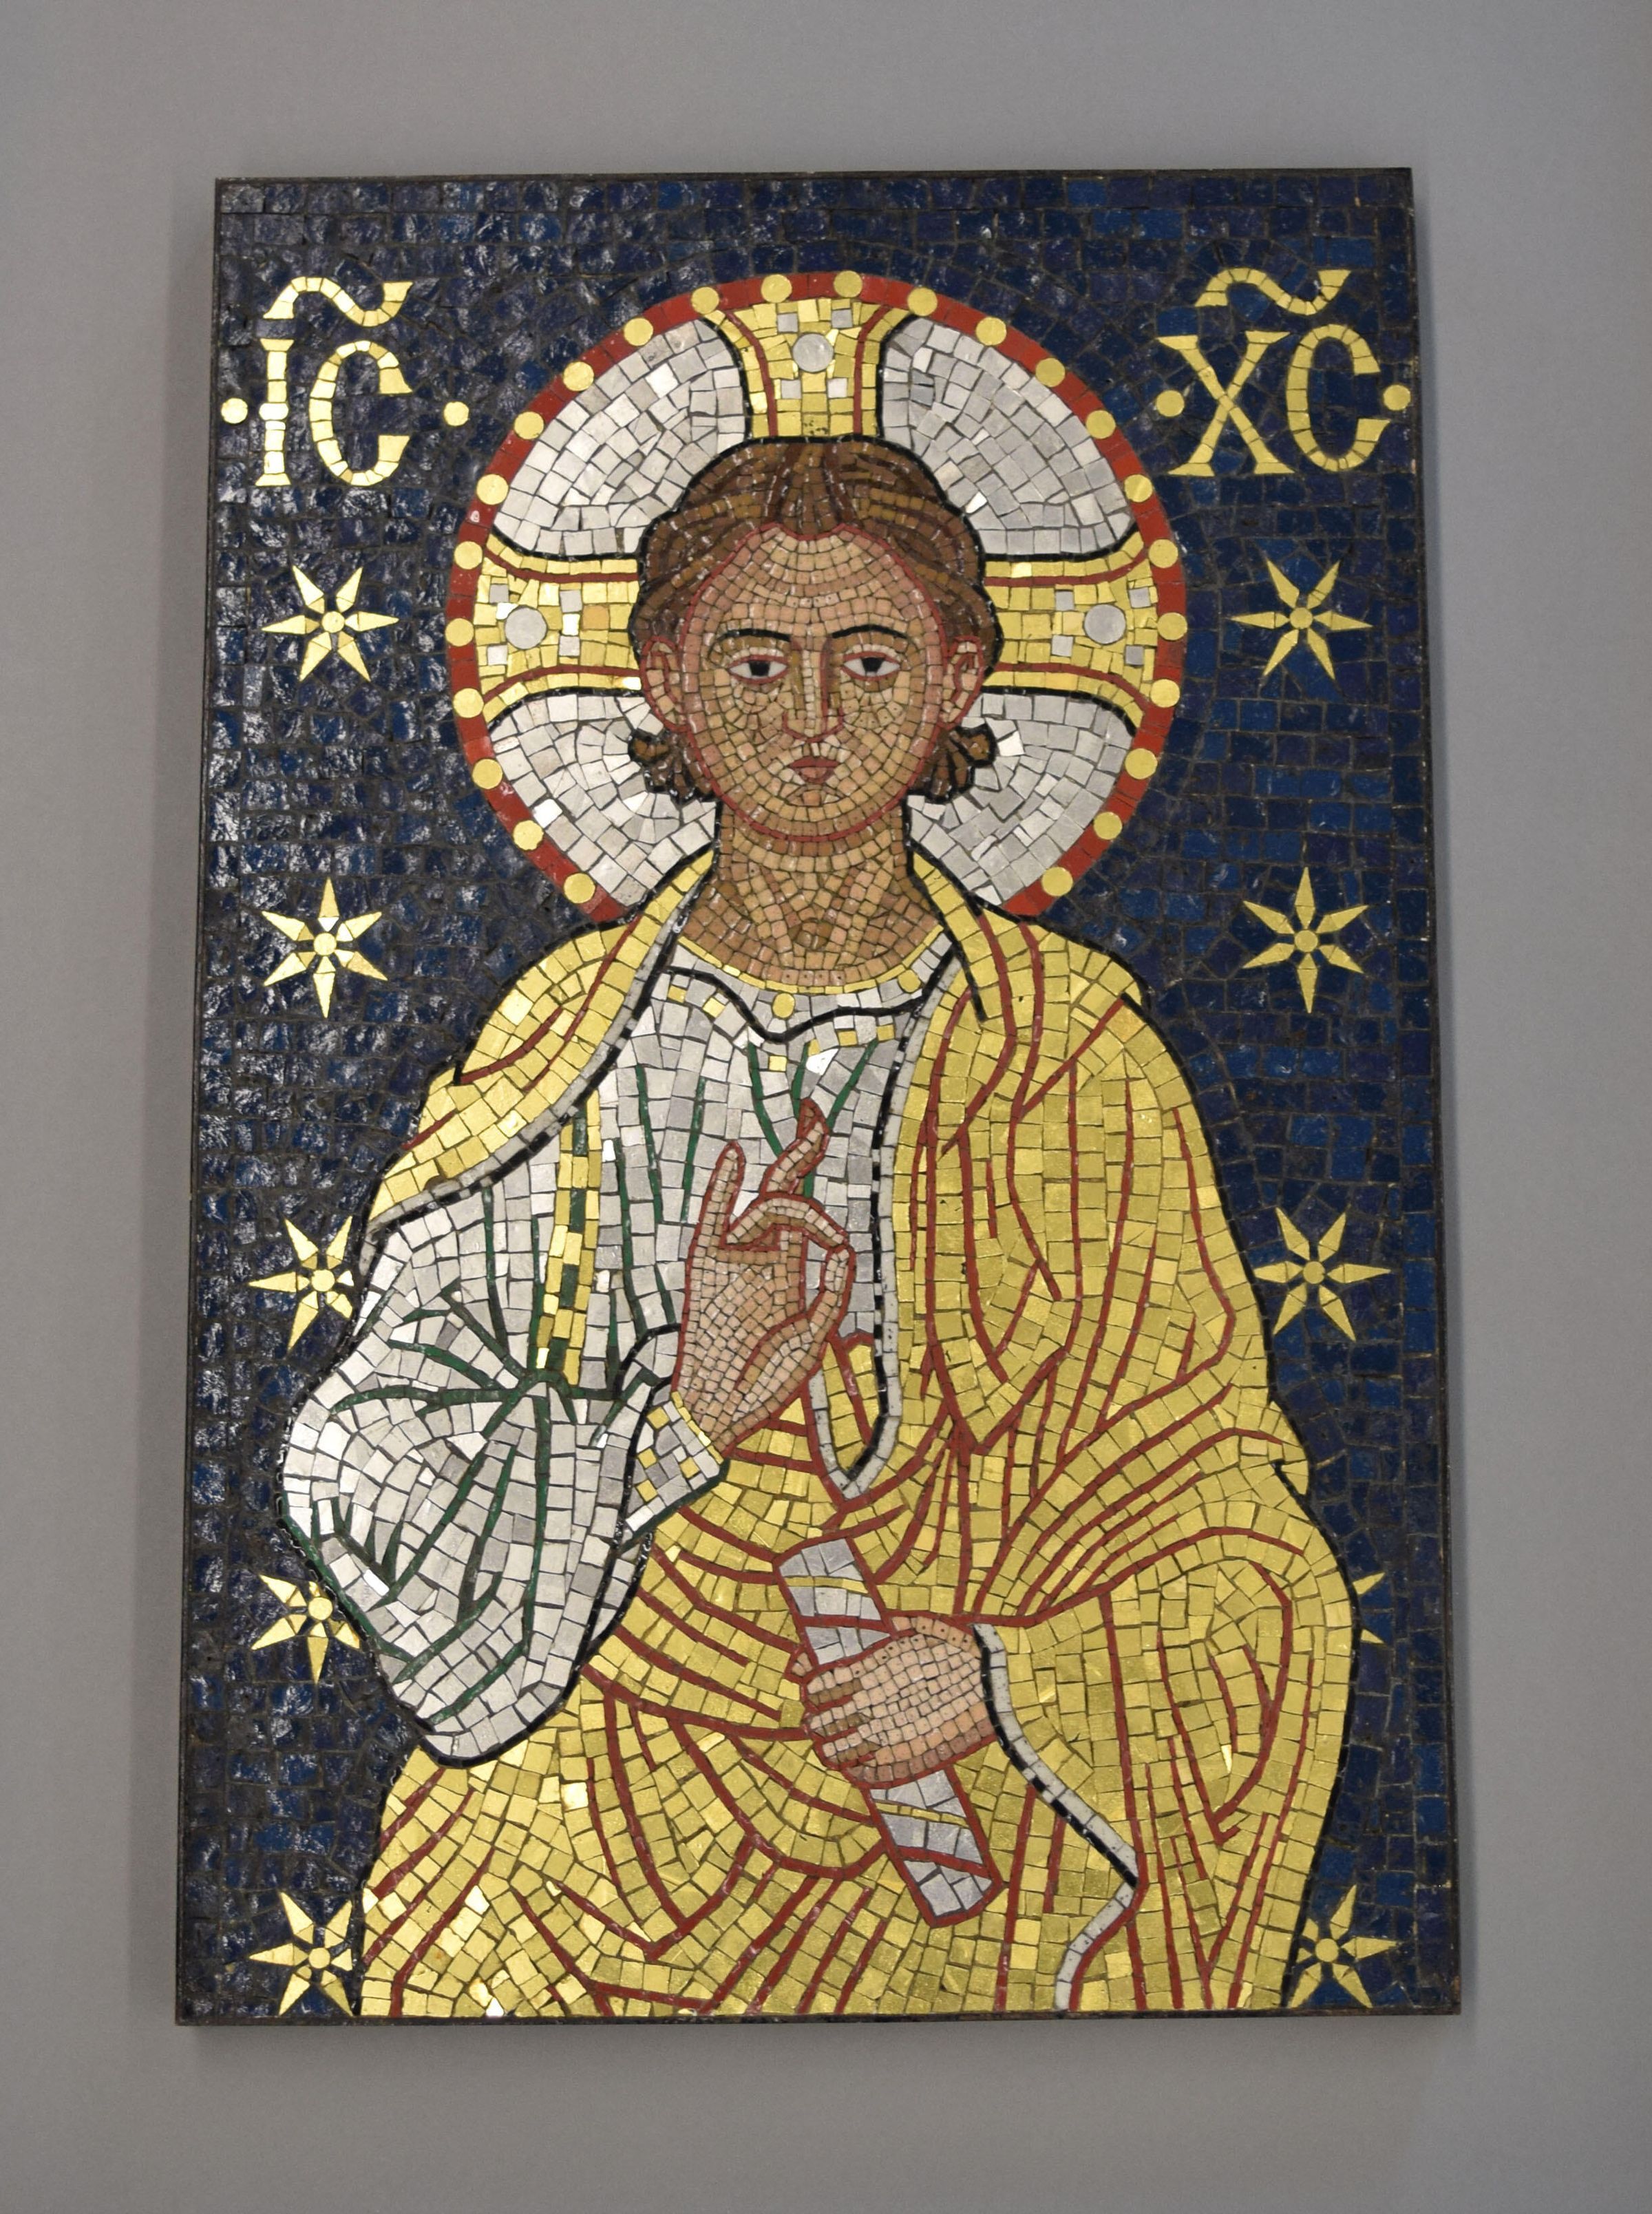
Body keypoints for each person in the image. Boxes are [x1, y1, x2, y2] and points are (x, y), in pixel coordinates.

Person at [281, 436, 1354, 2016]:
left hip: (953, 1857)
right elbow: (365, 1457)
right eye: (753, 661)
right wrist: (683, 1416)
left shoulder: (1068, 1062)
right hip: (563, 1850)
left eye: (868, 661)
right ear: (664, 678)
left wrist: (1002, 1682)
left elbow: (1231, 1536)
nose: (810, 723)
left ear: (959, 677)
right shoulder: (566, 1048)